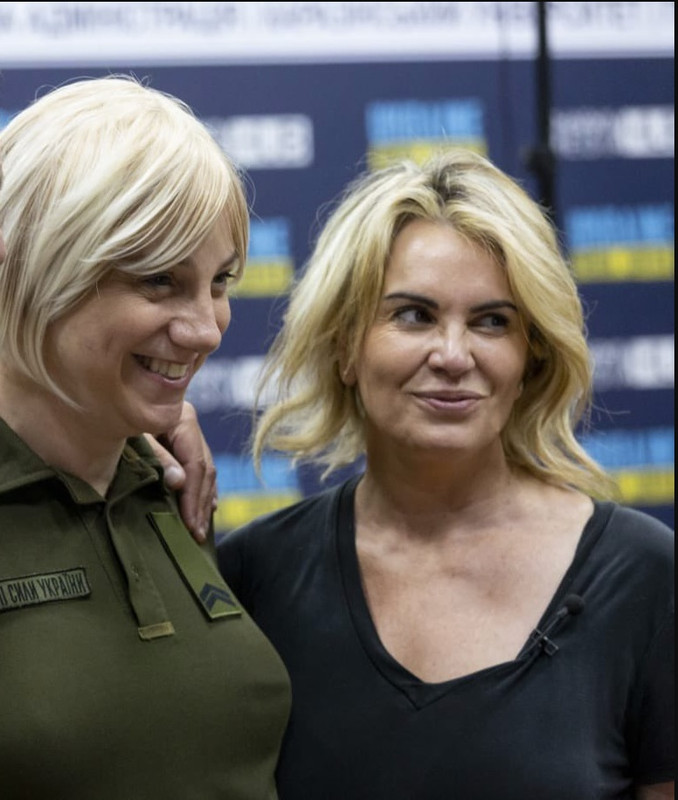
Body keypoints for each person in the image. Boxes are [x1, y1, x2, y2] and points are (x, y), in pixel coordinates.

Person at [217, 149, 674, 800]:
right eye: (414, 315)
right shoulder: (253, 577)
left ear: (531, 358)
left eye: (492, 322)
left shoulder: (646, 577)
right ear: (345, 346)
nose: (454, 355)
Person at [0, 75, 290, 799]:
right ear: (23, 271)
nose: (206, 329)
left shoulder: (170, 483)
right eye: (159, 280)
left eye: (220, 282)